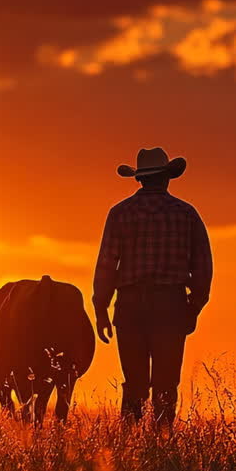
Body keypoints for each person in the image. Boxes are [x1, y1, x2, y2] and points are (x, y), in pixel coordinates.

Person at [93, 147, 213, 426]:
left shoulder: (120, 213)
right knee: (166, 382)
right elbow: (203, 266)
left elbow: (107, 264)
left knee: (134, 382)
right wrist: (193, 306)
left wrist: (100, 307)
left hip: (130, 304)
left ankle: (130, 443)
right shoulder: (186, 213)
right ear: (167, 178)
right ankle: (162, 438)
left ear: (139, 179)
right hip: (170, 304)